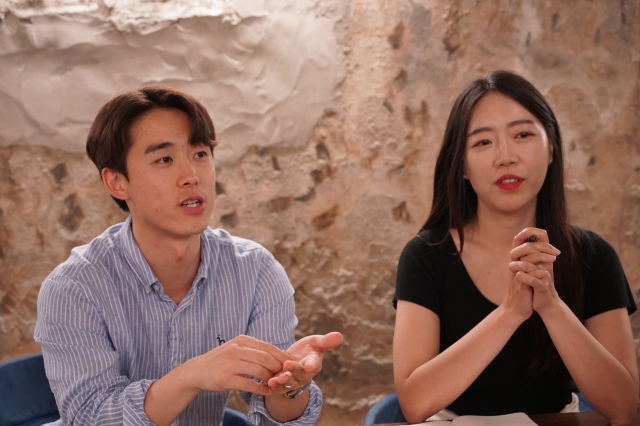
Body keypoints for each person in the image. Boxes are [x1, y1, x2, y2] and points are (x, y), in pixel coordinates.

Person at [34, 85, 343, 426]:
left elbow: (274, 417)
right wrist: (191, 375)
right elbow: (90, 418)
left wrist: (290, 386)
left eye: (200, 154)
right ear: (117, 183)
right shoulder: (73, 287)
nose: (192, 177)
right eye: (164, 159)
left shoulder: (255, 270)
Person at [393, 71, 638, 425]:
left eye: (522, 134)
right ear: (461, 165)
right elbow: (415, 404)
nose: (505, 157)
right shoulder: (425, 255)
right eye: (482, 143)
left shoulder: (594, 256)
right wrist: (509, 312)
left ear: (551, 148)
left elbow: (623, 408)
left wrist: (551, 306)